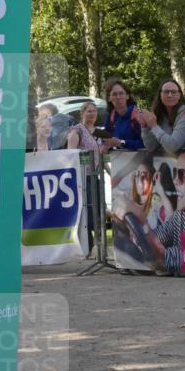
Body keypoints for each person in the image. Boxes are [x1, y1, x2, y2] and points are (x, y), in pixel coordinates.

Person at [66, 101, 109, 256]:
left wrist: (110, 172)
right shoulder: (76, 130)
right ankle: (88, 246)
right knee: (88, 212)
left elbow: (101, 156)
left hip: (96, 176)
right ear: (82, 113)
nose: (92, 114)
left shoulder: (99, 132)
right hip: (82, 178)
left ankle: (99, 247)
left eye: (94, 111)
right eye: (89, 111)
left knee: (100, 210)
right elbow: (70, 155)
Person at [138, 79, 185, 155]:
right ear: (160, 95)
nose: (169, 95)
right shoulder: (160, 115)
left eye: (174, 92)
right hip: (169, 161)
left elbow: (172, 147)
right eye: (166, 92)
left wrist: (154, 126)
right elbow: (151, 147)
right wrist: (144, 127)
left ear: (179, 95)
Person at [103, 78, 143, 150]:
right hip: (118, 156)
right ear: (109, 98)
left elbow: (146, 144)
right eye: (114, 94)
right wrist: (105, 146)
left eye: (121, 93)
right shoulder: (111, 116)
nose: (118, 97)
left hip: (139, 157)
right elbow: (106, 140)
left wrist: (121, 143)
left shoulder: (138, 115)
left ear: (127, 96)